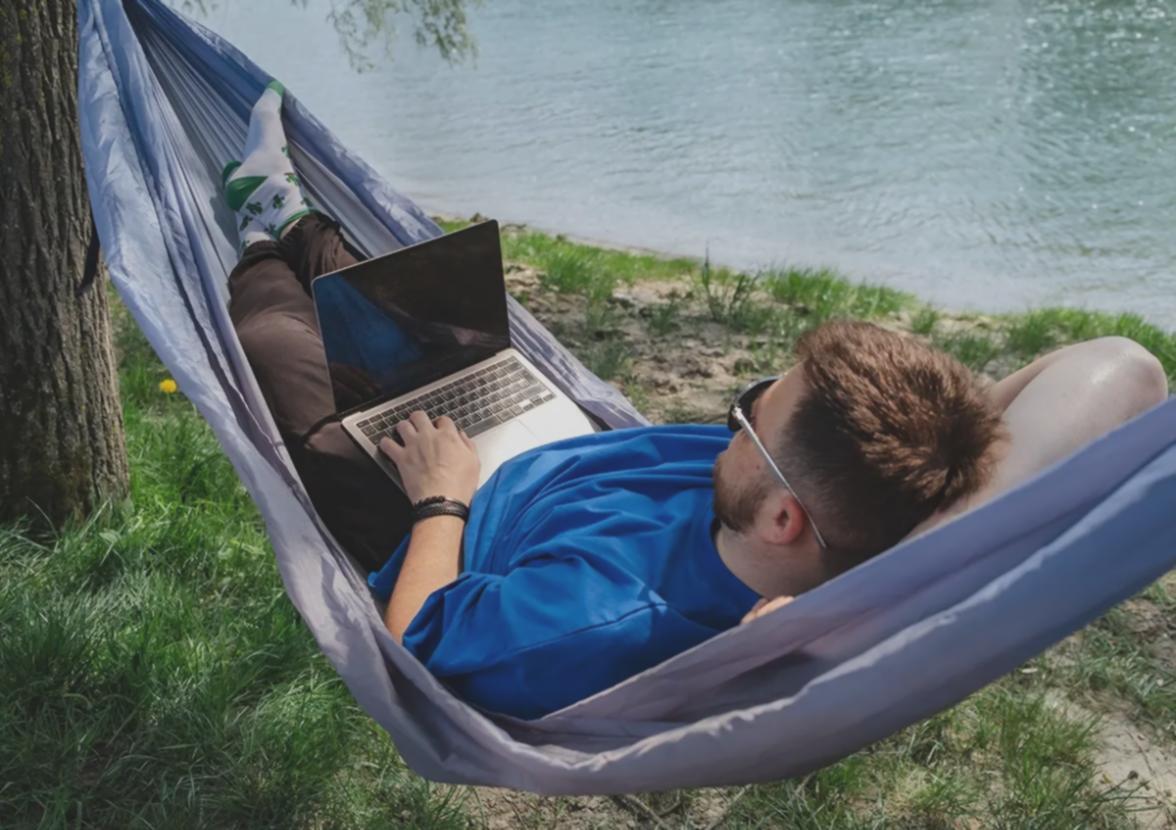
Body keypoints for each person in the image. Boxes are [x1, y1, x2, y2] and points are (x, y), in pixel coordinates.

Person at [225, 83, 1169, 719]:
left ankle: (260, 235)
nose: (736, 407)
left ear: (786, 516)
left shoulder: (602, 616)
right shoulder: (865, 513)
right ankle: (295, 216)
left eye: (748, 416)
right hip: (550, 445)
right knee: (393, 310)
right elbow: (1125, 369)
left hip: (435, 504)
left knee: (276, 336)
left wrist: (441, 496)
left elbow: (419, 652)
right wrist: (885, 587)